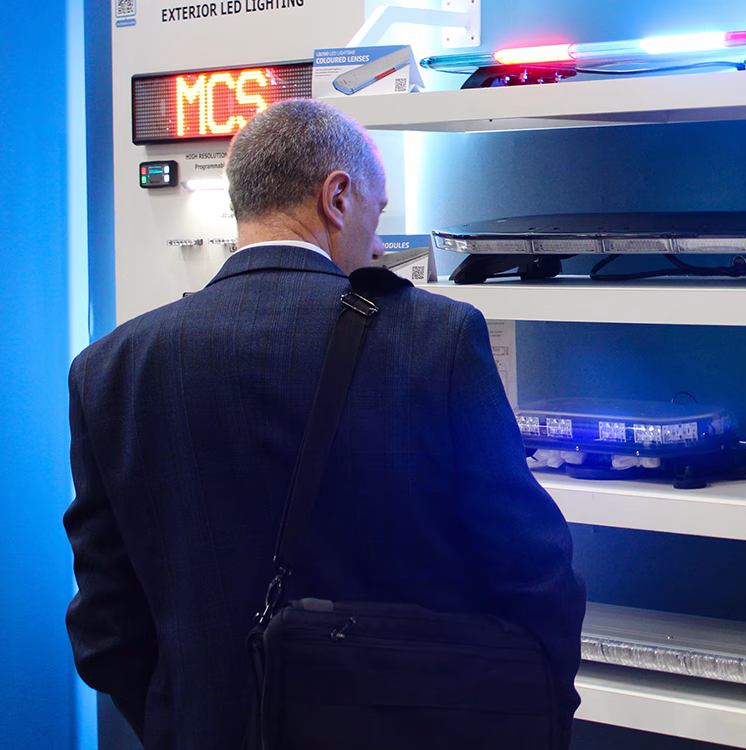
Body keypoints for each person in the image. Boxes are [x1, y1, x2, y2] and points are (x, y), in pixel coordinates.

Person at [64, 99, 586, 749]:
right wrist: (533, 710)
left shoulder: (109, 369)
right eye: (377, 212)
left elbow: (106, 630)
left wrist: (188, 724)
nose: (377, 243)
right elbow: (535, 571)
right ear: (337, 197)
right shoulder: (435, 337)